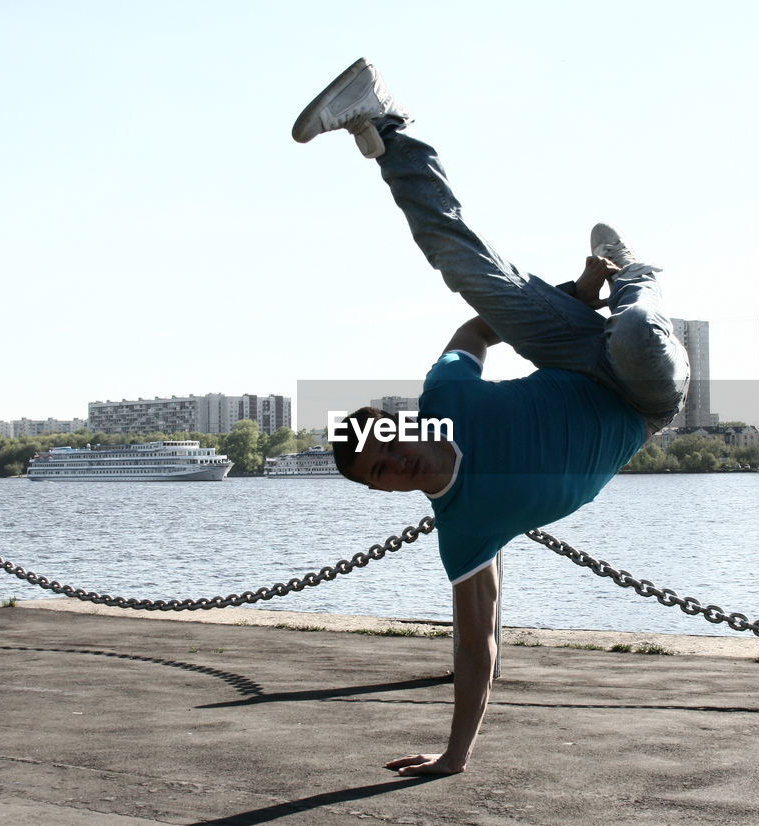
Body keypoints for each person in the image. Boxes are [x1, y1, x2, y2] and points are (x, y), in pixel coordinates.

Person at [293, 58, 689, 775]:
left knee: (462, 264)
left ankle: (383, 122)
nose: (396, 464)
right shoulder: (465, 531)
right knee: (633, 335)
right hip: (644, 395)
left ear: (401, 421)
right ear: (384, 491)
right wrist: (454, 754)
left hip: (572, 351)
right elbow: (477, 644)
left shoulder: (446, 395)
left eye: (388, 444)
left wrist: (571, 296)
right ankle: (636, 279)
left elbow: (477, 329)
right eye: (381, 473)